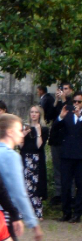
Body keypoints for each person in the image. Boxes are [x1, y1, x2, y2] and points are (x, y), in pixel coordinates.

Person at [52, 91, 82, 223]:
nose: (76, 104)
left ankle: (77, 213)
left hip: (80, 156)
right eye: (74, 101)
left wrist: (80, 117)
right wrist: (60, 117)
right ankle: (66, 212)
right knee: (65, 184)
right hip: (67, 154)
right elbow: (55, 128)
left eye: (79, 102)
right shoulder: (67, 115)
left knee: (80, 185)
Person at [21, 105, 48, 219]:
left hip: (37, 160)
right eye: (32, 112)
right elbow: (20, 146)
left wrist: (38, 132)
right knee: (25, 185)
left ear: (40, 114)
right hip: (25, 158)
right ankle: (25, 212)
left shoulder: (44, 129)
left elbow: (39, 146)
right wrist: (23, 135)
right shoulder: (24, 128)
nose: (33, 114)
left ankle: (37, 211)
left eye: (36, 112)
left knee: (35, 186)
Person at [49, 82, 74, 205]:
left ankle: (71, 195)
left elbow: (68, 117)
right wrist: (56, 100)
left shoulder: (73, 102)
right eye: (61, 89)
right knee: (57, 168)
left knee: (70, 169)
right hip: (56, 140)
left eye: (65, 89)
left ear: (71, 90)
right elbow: (50, 117)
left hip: (67, 141)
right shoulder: (58, 102)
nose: (63, 91)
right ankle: (58, 194)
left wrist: (64, 100)